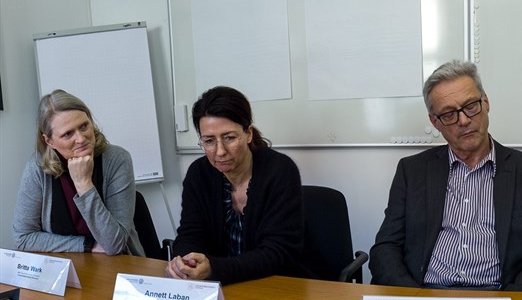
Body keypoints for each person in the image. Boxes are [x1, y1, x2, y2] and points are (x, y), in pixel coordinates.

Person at [370, 61, 522, 291]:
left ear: (486, 102)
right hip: (427, 296)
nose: (463, 120)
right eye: (449, 114)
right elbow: (385, 248)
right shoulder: (411, 171)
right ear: (435, 122)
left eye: (471, 106)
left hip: (499, 296)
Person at [166, 86, 304, 284]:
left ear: (247, 133)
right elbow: (190, 233)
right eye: (209, 141)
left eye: (229, 138)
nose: (220, 151)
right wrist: (187, 262)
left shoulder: (280, 171)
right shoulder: (199, 173)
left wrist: (214, 268)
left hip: (274, 285)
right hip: (221, 288)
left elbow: (279, 252)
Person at [13, 89, 143, 256]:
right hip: (63, 266)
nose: (81, 139)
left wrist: (84, 184)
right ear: (49, 141)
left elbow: (114, 244)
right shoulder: (37, 168)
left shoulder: (117, 159)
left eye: (84, 126)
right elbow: (23, 238)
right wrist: (87, 245)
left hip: (117, 264)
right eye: (68, 134)